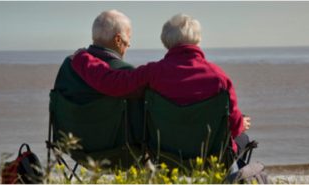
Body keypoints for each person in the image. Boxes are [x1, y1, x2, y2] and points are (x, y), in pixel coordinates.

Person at [70, 13, 251, 155]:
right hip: (211, 154)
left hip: (165, 154)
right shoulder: (219, 78)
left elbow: (111, 82)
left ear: (166, 41)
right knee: (243, 138)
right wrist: (241, 123)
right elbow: (233, 128)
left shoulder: (152, 73)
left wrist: (81, 58)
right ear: (198, 40)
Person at [53, 9, 143, 146]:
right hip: (117, 150)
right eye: (128, 39)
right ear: (118, 39)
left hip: (72, 146)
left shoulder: (68, 65)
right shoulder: (125, 72)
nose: (129, 45)